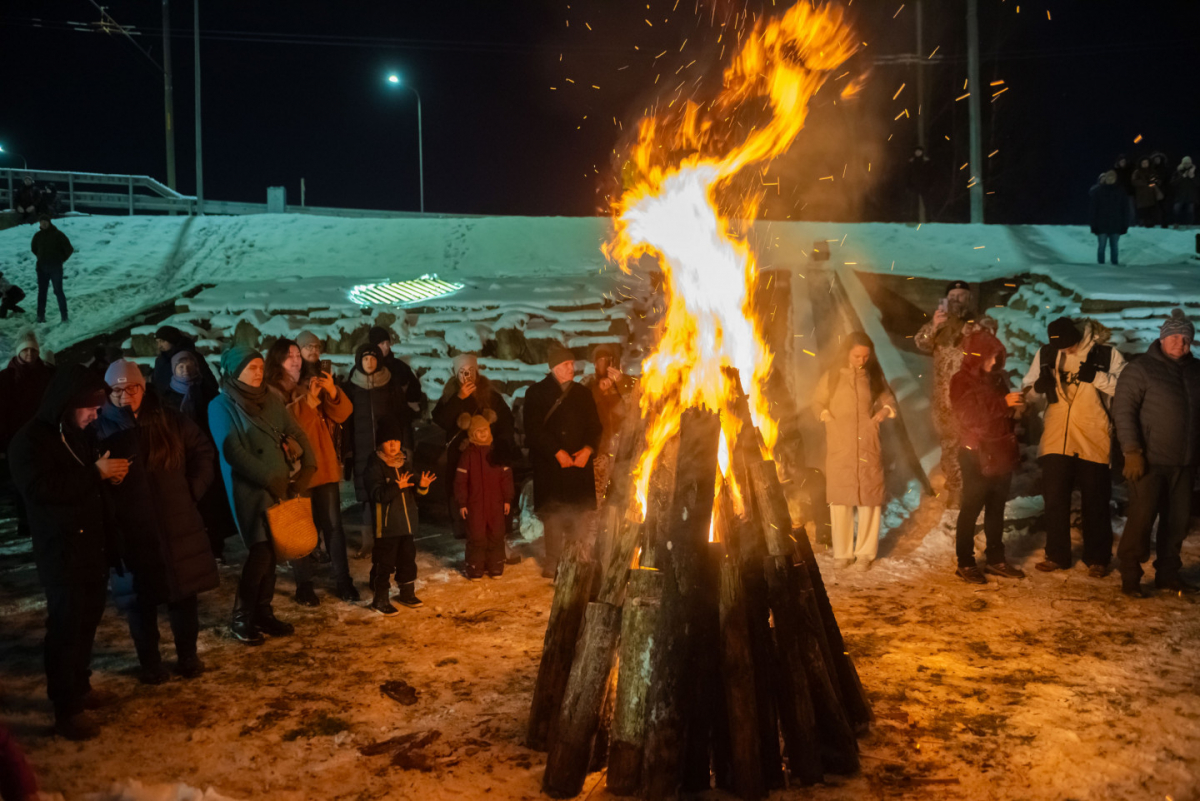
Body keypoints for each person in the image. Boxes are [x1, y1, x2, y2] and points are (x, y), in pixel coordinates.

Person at [8, 365, 129, 740]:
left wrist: (108, 475)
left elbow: (84, 480)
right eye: (90, 407)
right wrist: (95, 473)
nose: (96, 414)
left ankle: (80, 686)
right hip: (61, 549)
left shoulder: (77, 432)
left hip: (90, 545)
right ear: (67, 403)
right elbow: (43, 491)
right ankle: (66, 707)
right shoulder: (30, 441)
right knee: (66, 627)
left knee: (87, 620)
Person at [94, 361, 219, 684]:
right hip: (132, 529)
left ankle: (187, 656)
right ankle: (150, 662)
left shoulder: (168, 418)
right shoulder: (100, 429)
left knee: (183, 595)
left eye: (131, 388)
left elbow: (203, 450)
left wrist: (193, 489)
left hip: (177, 522)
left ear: (143, 387)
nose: (125, 396)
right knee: (140, 601)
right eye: (117, 390)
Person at [208, 346, 316, 644]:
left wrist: (309, 463)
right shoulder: (221, 405)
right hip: (250, 489)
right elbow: (233, 451)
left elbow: (296, 431)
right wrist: (269, 478)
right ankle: (242, 617)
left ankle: (263, 612)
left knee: (273, 552)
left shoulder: (269, 399)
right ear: (234, 372)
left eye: (259, 366)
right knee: (260, 552)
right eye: (250, 367)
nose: (258, 372)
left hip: (278, 485)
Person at [1022, 318, 1125, 576]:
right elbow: (1028, 394)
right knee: (1055, 498)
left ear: (1077, 337)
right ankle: (1057, 555)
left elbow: (1127, 389)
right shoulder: (1047, 353)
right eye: (1060, 348)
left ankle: (1098, 558)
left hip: (1093, 435)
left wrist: (1098, 377)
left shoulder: (1106, 354)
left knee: (1096, 500)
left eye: (1068, 346)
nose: (1065, 352)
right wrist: (1037, 389)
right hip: (1057, 435)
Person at [1113, 310, 1200, 597]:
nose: (1181, 343)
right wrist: (1132, 451)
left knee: (1177, 523)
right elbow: (1123, 412)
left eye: (1186, 337)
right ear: (1162, 338)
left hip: (1185, 464)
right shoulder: (1141, 369)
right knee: (1141, 521)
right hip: (1149, 462)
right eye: (1174, 337)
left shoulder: (1196, 371)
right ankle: (1130, 576)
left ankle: (1167, 575)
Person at [814, 332, 897, 571]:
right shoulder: (831, 377)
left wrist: (884, 412)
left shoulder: (873, 377)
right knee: (840, 500)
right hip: (841, 444)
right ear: (846, 353)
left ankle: (865, 554)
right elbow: (817, 402)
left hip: (868, 444)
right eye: (856, 356)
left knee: (870, 499)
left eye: (865, 356)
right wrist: (826, 416)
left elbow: (889, 400)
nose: (861, 360)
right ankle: (842, 553)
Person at [949, 331, 1027, 584]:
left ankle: (996, 559)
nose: (994, 363)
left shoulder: (996, 379)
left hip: (1000, 450)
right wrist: (1004, 404)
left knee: (996, 508)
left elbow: (1002, 410)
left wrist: (1017, 409)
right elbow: (969, 416)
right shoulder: (961, 381)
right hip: (976, 453)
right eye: (990, 357)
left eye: (997, 357)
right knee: (971, 508)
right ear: (977, 356)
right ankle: (965, 561)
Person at [522, 344, 603, 578]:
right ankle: (553, 560)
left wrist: (588, 449)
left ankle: (577, 558)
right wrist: (556, 452)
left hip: (578, 466)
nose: (572, 368)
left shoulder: (582, 393)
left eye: (572, 364)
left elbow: (594, 426)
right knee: (554, 515)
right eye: (567, 365)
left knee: (579, 514)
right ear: (555, 368)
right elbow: (533, 429)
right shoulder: (536, 393)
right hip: (551, 467)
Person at [914, 280, 996, 508]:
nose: (957, 300)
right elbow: (920, 342)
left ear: (970, 299)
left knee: (975, 446)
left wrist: (960, 324)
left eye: (962, 296)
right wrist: (934, 324)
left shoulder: (980, 322)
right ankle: (956, 491)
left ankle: (977, 490)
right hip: (945, 400)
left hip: (972, 399)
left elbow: (987, 339)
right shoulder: (940, 324)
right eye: (953, 296)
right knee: (950, 446)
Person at [286, 363, 356, 606]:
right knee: (301, 528)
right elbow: (296, 429)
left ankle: (343, 580)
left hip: (325, 470)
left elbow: (344, 412)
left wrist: (333, 391)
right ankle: (304, 585)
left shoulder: (324, 399)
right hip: (300, 472)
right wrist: (310, 399)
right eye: (311, 381)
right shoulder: (294, 402)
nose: (316, 384)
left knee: (334, 527)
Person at [160, 349, 239, 561]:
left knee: (212, 504)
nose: (185, 370)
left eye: (189, 365)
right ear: (173, 370)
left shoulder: (208, 392)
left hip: (209, 454)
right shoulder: (166, 398)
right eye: (180, 366)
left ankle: (215, 546)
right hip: (181, 457)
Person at [343, 342, 418, 556]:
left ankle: (389, 537)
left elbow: (403, 418)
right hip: (362, 450)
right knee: (368, 495)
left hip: (389, 450)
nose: (369, 362)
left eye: (373, 358)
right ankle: (368, 541)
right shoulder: (351, 388)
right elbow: (346, 423)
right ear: (359, 361)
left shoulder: (390, 385)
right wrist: (347, 452)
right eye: (365, 359)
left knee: (391, 491)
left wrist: (406, 446)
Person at [432, 354, 516, 540]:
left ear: (476, 372)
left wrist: (502, 443)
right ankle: (468, 538)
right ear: (456, 375)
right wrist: (459, 398)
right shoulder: (450, 395)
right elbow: (442, 420)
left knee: (490, 495)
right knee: (463, 492)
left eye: (470, 371)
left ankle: (495, 537)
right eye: (462, 372)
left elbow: (506, 420)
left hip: (487, 456)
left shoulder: (491, 396)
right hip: (460, 456)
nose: (467, 376)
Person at [364, 419, 435, 614]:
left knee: (407, 559)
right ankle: (380, 598)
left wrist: (423, 485)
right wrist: (397, 486)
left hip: (406, 524)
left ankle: (406, 592)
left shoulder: (404, 463)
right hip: (387, 526)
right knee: (384, 562)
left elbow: (416, 494)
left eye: (396, 440)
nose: (393, 445)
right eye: (389, 441)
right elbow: (377, 495)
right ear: (381, 444)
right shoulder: (375, 465)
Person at [0, 331, 55, 541]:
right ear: (18, 352)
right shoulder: (7, 378)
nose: (30, 353)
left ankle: (43, 520)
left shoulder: (47, 374)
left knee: (45, 478)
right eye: (25, 349)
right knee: (22, 482)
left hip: (42, 436)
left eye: (33, 349)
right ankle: (25, 523)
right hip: (16, 439)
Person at [454, 412, 515, 578]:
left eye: (485, 430)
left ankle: (495, 565)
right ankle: (475, 566)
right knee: (477, 535)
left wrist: (507, 499)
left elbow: (506, 477)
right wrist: (462, 503)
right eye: (478, 431)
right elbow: (460, 481)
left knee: (496, 533)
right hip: (475, 504)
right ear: (472, 434)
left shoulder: (497, 451)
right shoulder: (468, 455)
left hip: (495, 503)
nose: (483, 433)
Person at [581, 344, 637, 507]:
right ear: (595, 364)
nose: (605, 365)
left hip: (623, 451)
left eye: (608, 360)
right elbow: (581, 409)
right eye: (601, 361)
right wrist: (599, 390)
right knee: (595, 499)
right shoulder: (587, 384)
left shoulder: (625, 383)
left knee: (620, 499)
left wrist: (620, 382)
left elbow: (636, 406)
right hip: (597, 452)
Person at [368, 325, 426, 422]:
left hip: (399, 416)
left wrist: (405, 400)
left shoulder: (399, 366)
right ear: (374, 345)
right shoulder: (367, 367)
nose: (386, 346)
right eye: (382, 343)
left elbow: (414, 387)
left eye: (387, 342)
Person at [151, 326, 218, 399]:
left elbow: (210, 383)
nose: (159, 346)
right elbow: (157, 382)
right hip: (167, 405)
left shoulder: (191, 356)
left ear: (172, 339)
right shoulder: (160, 360)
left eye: (162, 341)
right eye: (157, 342)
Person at [30, 215, 72, 324]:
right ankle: (40, 316)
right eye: (41, 222)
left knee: (58, 291)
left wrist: (60, 259)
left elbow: (69, 249)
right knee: (42, 292)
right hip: (42, 268)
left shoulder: (58, 234)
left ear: (49, 222)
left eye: (45, 222)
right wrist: (41, 257)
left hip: (55, 268)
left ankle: (64, 316)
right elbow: (34, 249)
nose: (43, 224)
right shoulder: (38, 236)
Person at [1089, 170, 1129, 265]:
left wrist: (1125, 225)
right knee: (1101, 246)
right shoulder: (1098, 192)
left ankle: (1114, 265)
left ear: (1116, 179)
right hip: (1101, 224)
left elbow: (1125, 209)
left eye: (1112, 178)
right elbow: (1093, 210)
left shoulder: (1121, 192)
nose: (1110, 179)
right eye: (1108, 178)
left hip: (1116, 224)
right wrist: (1093, 225)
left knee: (1114, 246)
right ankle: (1101, 265)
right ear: (1105, 179)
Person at [264, 337, 305, 404]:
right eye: (290, 356)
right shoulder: (271, 391)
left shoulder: (300, 386)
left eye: (298, 355)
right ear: (278, 359)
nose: (296, 360)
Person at [1132, 157, 1162, 228]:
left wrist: (1155, 182)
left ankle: (1152, 223)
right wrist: (1145, 182)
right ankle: (1142, 224)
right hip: (1141, 196)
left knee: (1151, 211)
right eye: (1143, 163)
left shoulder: (1152, 171)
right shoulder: (1137, 172)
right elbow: (1134, 182)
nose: (1145, 164)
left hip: (1151, 195)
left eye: (1146, 162)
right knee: (1143, 212)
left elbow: (1157, 180)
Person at [906, 146, 932, 222]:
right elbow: (908, 174)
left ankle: (929, 220)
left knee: (927, 203)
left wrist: (930, 185)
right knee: (913, 204)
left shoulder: (926, 161)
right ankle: (913, 219)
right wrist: (908, 184)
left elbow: (930, 174)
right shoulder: (911, 162)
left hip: (925, 186)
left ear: (922, 152)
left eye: (919, 151)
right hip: (914, 185)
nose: (918, 153)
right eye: (916, 151)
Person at [1172, 156, 1197, 227]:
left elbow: (1198, 183)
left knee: (1190, 211)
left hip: (1191, 195)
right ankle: (1176, 223)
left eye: (1188, 163)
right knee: (1176, 210)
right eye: (1185, 163)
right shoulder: (1178, 172)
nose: (1187, 164)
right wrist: (1182, 177)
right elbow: (1172, 183)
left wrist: (1192, 177)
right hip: (1179, 195)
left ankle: (1189, 224)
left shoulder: (1195, 171)